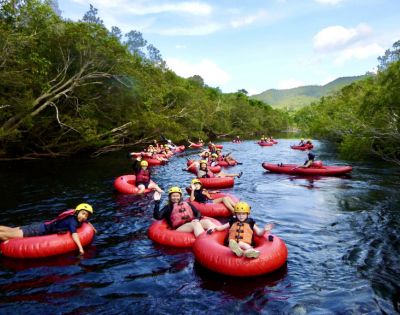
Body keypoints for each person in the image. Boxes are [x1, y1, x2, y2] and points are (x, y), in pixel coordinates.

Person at [0, 203, 96, 254]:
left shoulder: (76, 217)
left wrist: (93, 228)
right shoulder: (72, 221)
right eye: (83, 213)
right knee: (6, 236)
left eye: (86, 215)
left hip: (41, 225)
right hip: (38, 230)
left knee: (11, 230)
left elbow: (85, 221)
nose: (84, 217)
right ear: (77, 212)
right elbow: (74, 234)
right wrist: (80, 248)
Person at [207, 201, 274, 258]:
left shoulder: (250, 223)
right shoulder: (232, 221)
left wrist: (264, 230)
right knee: (233, 243)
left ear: (247, 214)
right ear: (236, 214)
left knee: (242, 244)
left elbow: (259, 233)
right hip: (232, 245)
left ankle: (250, 251)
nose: (241, 216)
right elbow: (221, 228)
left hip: (245, 244)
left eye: (243, 214)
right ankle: (238, 250)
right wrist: (214, 227)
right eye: (239, 214)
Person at [153, 187, 217, 237]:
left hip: (191, 223)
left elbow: (198, 213)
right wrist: (157, 202)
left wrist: (197, 219)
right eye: (173, 196)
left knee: (206, 221)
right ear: (170, 197)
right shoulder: (168, 207)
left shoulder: (187, 204)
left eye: (177, 196)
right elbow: (158, 217)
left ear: (180, 196)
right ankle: (204, 240)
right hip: (179, 228)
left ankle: (218, 232)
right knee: (195, 224)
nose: (175, 198)